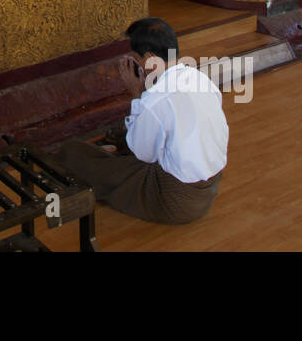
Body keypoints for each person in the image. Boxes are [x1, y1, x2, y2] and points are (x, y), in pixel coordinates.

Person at [55, 17, 228, 224]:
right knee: (126, 133)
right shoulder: (200, 78)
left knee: (73, 152)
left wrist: (138, 94)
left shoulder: (155, 99)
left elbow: (143, 155)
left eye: (135, 58)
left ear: (148, 58)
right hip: (209, 189)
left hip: (175, 200)